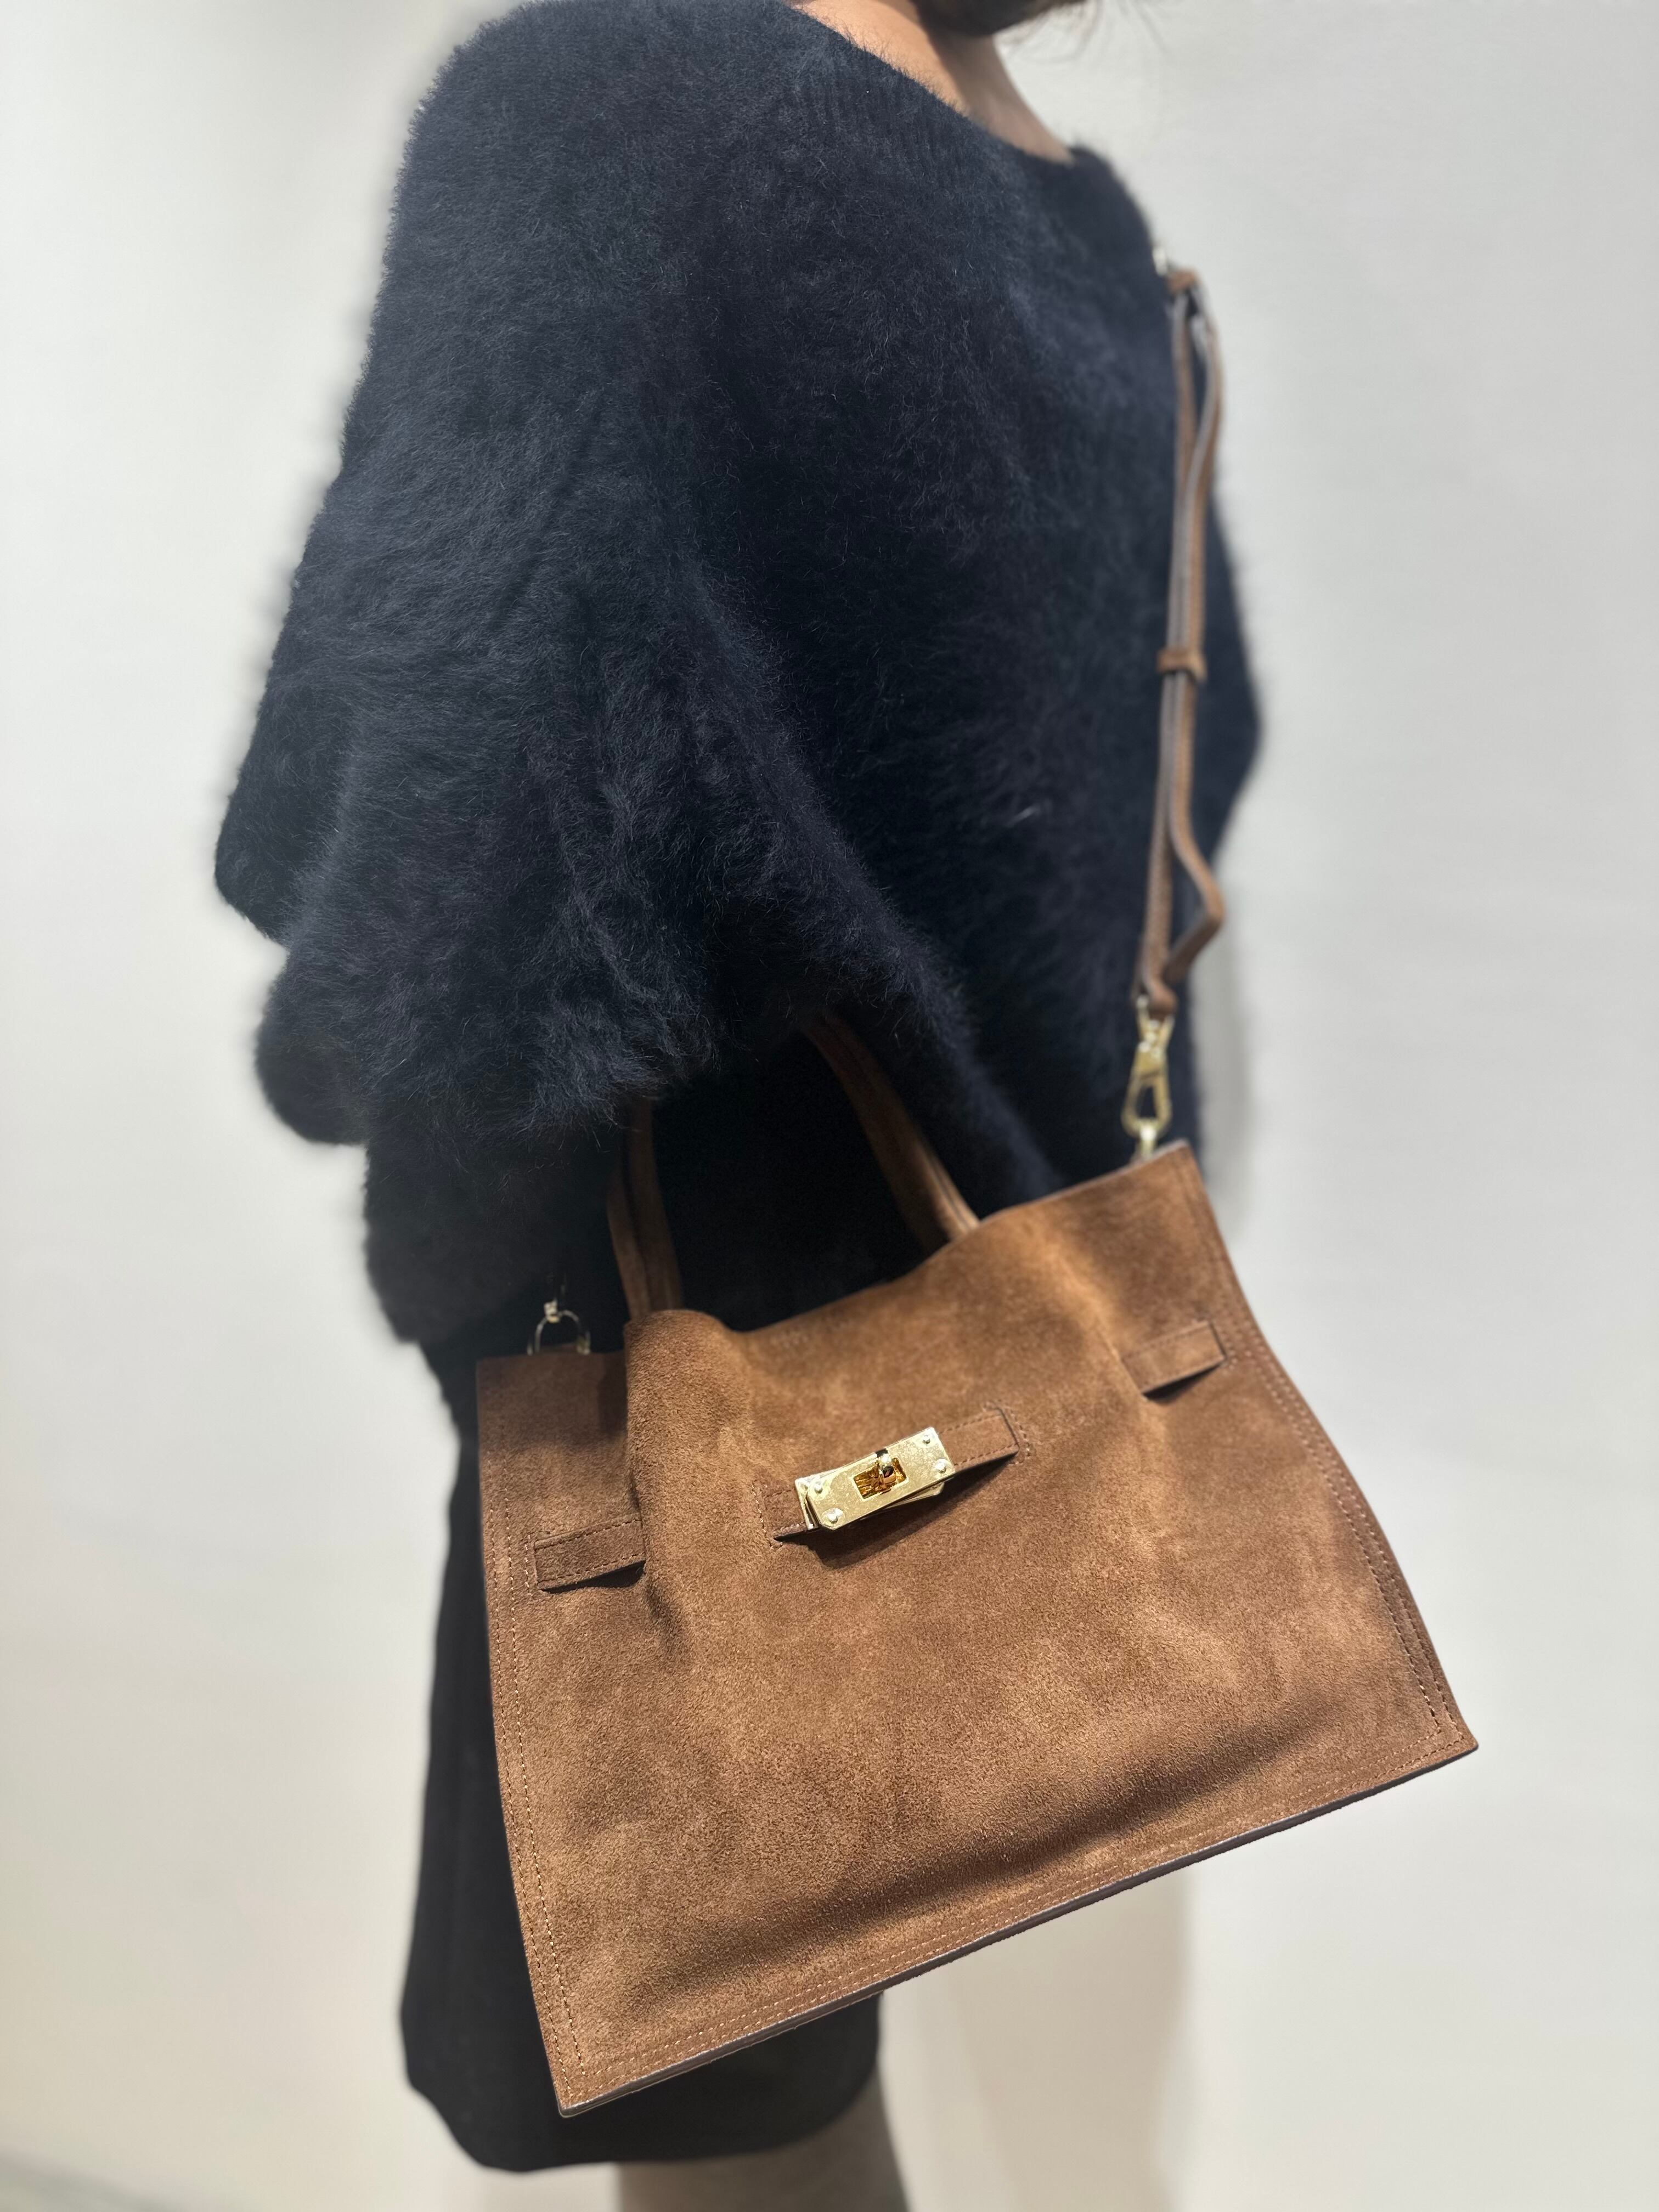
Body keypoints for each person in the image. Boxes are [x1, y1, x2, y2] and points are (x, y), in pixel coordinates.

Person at [214, 0, 1258, 2201]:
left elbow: (433, 845)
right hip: (1018, 1373)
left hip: (685, 1395)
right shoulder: (1112, 259)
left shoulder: (611, 105)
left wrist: (455, 1251)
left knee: (719, 2107)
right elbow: (1185, 777)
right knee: (773, 2087)